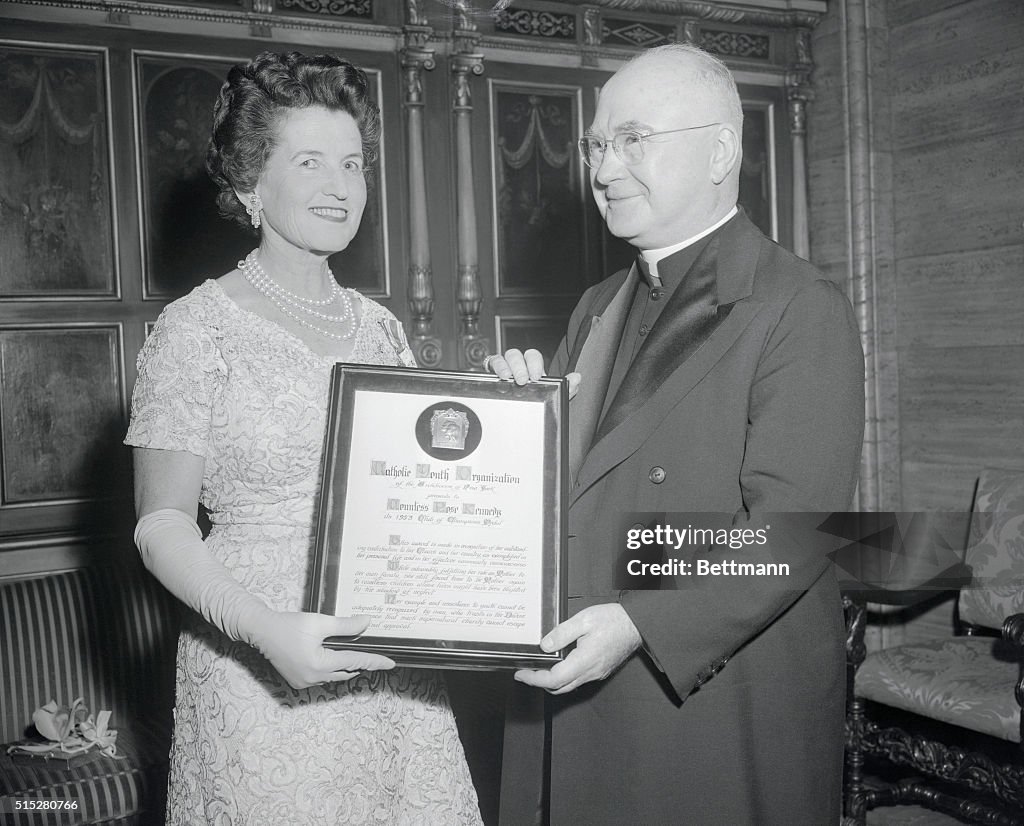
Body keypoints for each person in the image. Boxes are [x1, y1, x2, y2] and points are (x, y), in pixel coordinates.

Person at [489, 44, 865, 825]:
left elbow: (791, 531)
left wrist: (637, 620)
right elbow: (567, 491)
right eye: (597, 144)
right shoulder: (595, 305)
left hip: (709, 700)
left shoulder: (798, 304)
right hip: (583, 666)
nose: (602, 168)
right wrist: (510, 425)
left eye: (634, 139)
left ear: (721, 150)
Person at [125, 51, 481, 825]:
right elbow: (160, 526)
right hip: (256, 666)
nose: (339, 185)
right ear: (251, 180)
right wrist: (266, 632)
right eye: (310, 160)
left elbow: (432, 499)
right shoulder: (196, 329)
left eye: (352, 163)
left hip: (392, 672)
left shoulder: (383, 330)